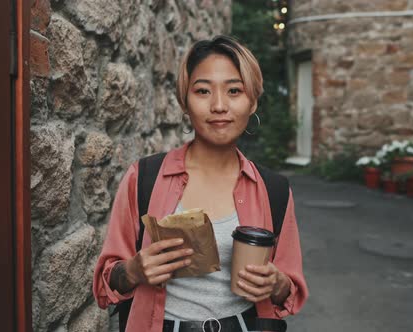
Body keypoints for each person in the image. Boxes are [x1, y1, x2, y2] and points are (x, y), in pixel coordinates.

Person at [93, 35, 308, 332]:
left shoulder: (274, 189)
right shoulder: (144, 177)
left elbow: (290, 291)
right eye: (203, 91)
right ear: (185, 101)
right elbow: (107, 280)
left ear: (253, 101)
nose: (219, 105)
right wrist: (133, 270)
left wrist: (278, 282)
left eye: (234, 90)